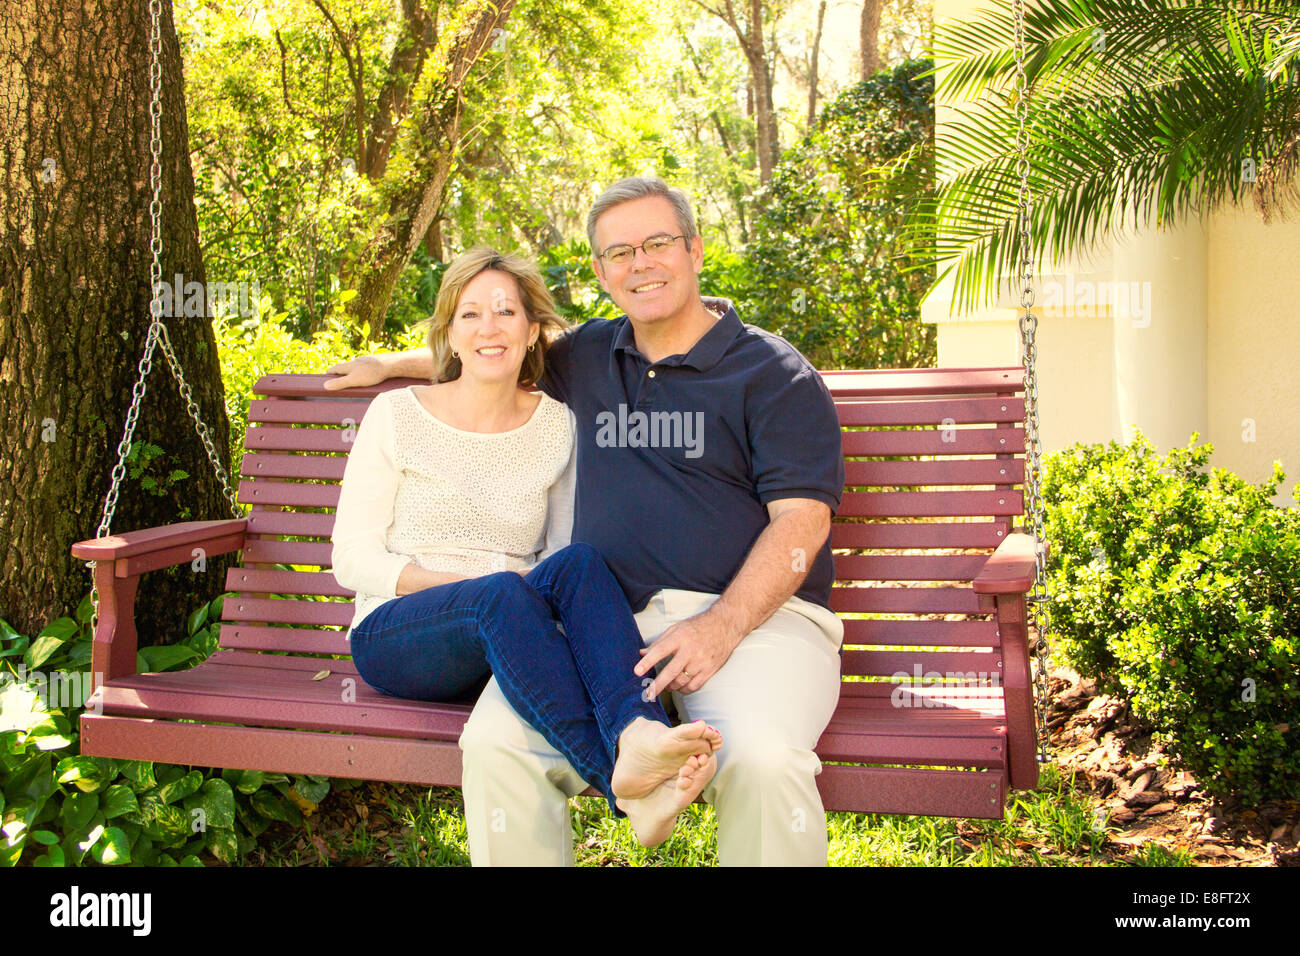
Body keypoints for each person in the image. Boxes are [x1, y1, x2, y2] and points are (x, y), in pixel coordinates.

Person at [326, 177, 846, 866]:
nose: (641, 263)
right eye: (620, 251)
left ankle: (640, 767)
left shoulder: (774, 373)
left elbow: (801, 526)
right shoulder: (590, 356)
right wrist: (391, 363)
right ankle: (633, 766)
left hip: (754, 626)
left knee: (763, 762)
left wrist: (722, 626)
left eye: (658, 243)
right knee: (495, 746)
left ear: (694, 250)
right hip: (602, 629)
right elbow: (490, 353)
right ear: (601, 272)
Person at [329, 246, 722, 851]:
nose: (490, 327)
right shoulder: (396, 415)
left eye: (507, 312)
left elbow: (557, 552)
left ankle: (639, 733)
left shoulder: (556, 425)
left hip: (510, 631)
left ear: (532, 329)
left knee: (581, 562)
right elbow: (351, 559)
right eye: (470, 315)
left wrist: (506, 595)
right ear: (450, 333)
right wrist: (465, 589)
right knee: (501, 594)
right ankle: (623, 787)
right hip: (398, 636)